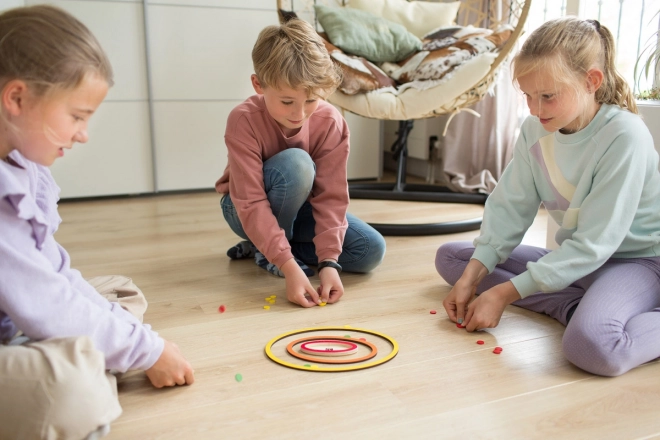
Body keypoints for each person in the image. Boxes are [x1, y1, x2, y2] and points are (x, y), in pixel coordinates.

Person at [0, 5, 194, 439]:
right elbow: (47, 304)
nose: (84, 133)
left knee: (120, 292)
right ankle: (89, 370)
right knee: (73, 390)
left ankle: (92, 356)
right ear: (16, 99)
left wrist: (140, 344)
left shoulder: (19, 164)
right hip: (20, 325)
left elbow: (55, 273)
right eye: (77, 116)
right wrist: (148, 352)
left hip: (18, 317)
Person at [435, 17, 660, 377]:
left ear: (591, 81)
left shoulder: (624, 135)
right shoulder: (534, 130)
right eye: (526, 95)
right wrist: (473, 278)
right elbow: (510, 207)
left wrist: (504, 294)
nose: (534, 109)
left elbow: (595, 244)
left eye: (547, 96)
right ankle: (579, 308)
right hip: (584, 263)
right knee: (454, 260)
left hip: (641, 263)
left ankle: (593, 314)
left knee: (592, 347)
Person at [216, 18, 386, 308]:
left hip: (301, 208)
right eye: (286, 101)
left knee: (370, 250)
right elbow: (250, 201)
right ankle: (272, 250)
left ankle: (265, 245)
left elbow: (331, 197)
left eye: (311, 101)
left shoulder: (331, 122)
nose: (299, 114)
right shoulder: (243, 120)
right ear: (259, 84)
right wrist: (288, 265)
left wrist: (330, 262)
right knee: (297, 164)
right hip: (243, 206)